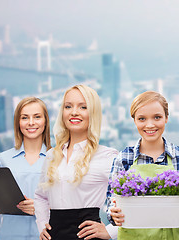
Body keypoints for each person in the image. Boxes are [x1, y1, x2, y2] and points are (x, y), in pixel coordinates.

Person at [104, 91, 179, 239]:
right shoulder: (124, 158)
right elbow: (111, 202)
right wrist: (113, 213)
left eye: (157, 117)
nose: (150, 124)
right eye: (142, 118)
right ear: (134, 121)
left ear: (166, 118)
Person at [34, 85, 119, 240]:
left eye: (83, 107)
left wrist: (111, 231)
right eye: (68, 106)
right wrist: (42, 224)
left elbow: (134, 198)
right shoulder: (52, 155)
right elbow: (40, 197)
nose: (74, 112)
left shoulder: (107, 156)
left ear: (93, 113)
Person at [0, 97, 52, 240]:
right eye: (25, 117)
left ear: (45, 121)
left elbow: (70, 203)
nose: (31, 122)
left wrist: (42, 208)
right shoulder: (4, 159)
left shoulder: (58, 158)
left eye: (37, 117)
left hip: (47, 235)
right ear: (18, 123)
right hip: (11, 234)